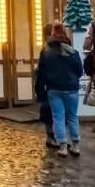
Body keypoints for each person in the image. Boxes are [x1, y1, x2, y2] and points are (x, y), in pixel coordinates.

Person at [35, 22, 83, 157]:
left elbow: (41, 74)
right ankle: (76, 145)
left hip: (54, 90)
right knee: (73, 117)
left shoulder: (46, 52)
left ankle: (62, 147)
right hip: (71, 89)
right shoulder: (73, 52)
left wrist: (39, 92)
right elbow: (79, 71)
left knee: (58, 118)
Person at [36, 22, 58, 148]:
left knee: (48, 112)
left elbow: (40, 72)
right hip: (51, 87)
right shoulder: (50, 50)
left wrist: (39, 89)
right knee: (52, 112)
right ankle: (52, 136)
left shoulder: (45, 51)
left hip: (48, 87)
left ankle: (51, 136)